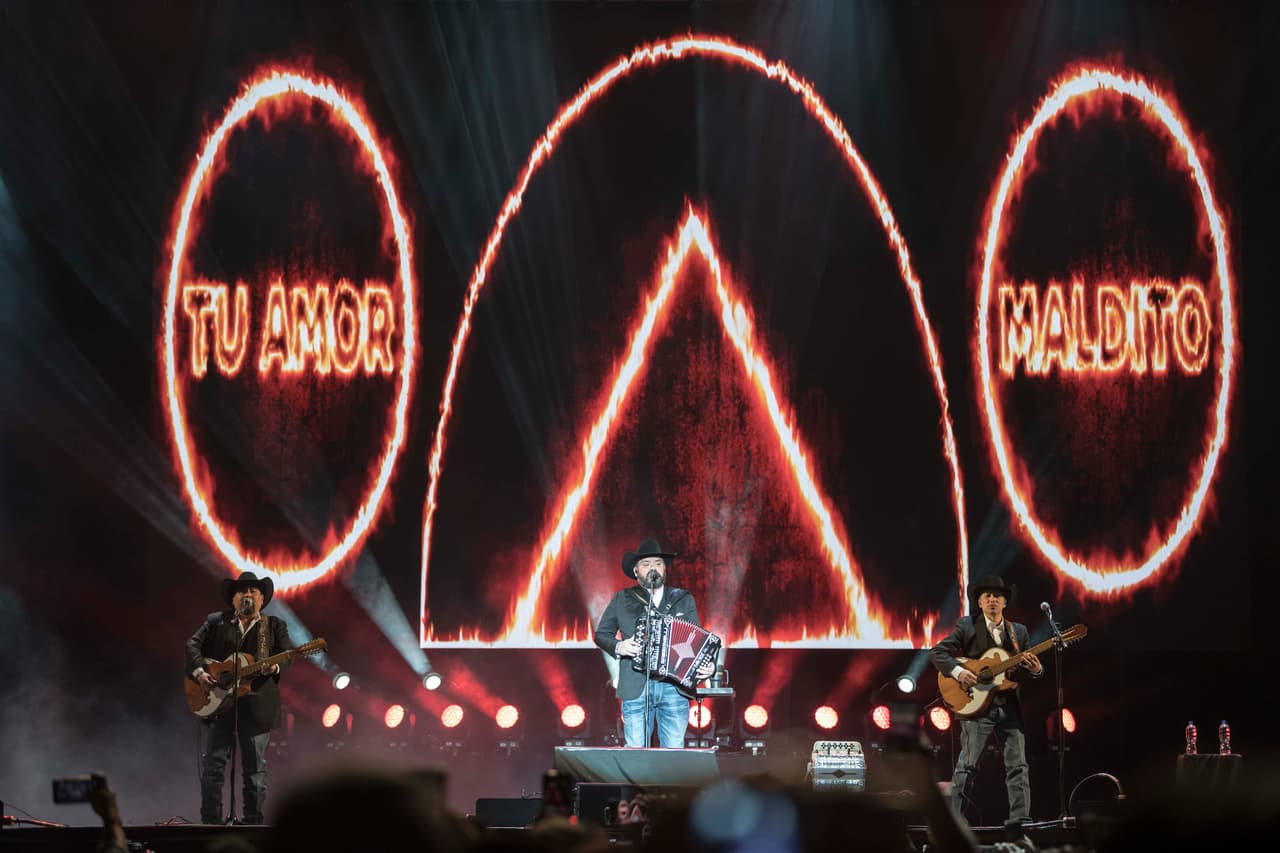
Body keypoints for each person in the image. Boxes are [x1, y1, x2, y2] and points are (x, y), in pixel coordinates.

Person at [929, 574, 1043, 823]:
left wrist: (1036, 670)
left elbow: (1024, 670)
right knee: (967, 766)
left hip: (1009, 707)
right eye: (987, 596)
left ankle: (1020, 822)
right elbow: (937, 652)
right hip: (976, 705)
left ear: (1005, 603)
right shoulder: (967, 626)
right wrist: (960, 672)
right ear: (979, 603)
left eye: (997, 596)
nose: (992, 600)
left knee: (1018, 767)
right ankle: (953, 824)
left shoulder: (1019, 632)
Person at [185, 570, 294, 824]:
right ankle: (211, 822)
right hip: (219, 703)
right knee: (213, 766)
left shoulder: (274, 625)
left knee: (254, 769)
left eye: (253, 591)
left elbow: (287, 653)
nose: (247, 594)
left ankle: (252, 823)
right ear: (233, 599)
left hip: (257, 706)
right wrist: (201, 672)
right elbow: (192, 644)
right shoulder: (216, 622)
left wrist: (275, 667)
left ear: (261, 598)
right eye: (241, 591)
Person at [593, 539, 716, 748]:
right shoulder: (622, 599)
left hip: (674, 687)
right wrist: (620, 647)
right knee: (636, 754)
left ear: (664, 569)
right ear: (635, 570)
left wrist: (709, 666)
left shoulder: (682, 599)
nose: (653, 568)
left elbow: (696, 640)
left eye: (658, 563)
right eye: (646, 563)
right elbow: (601, 634)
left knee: (673, 756)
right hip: (636, 684)